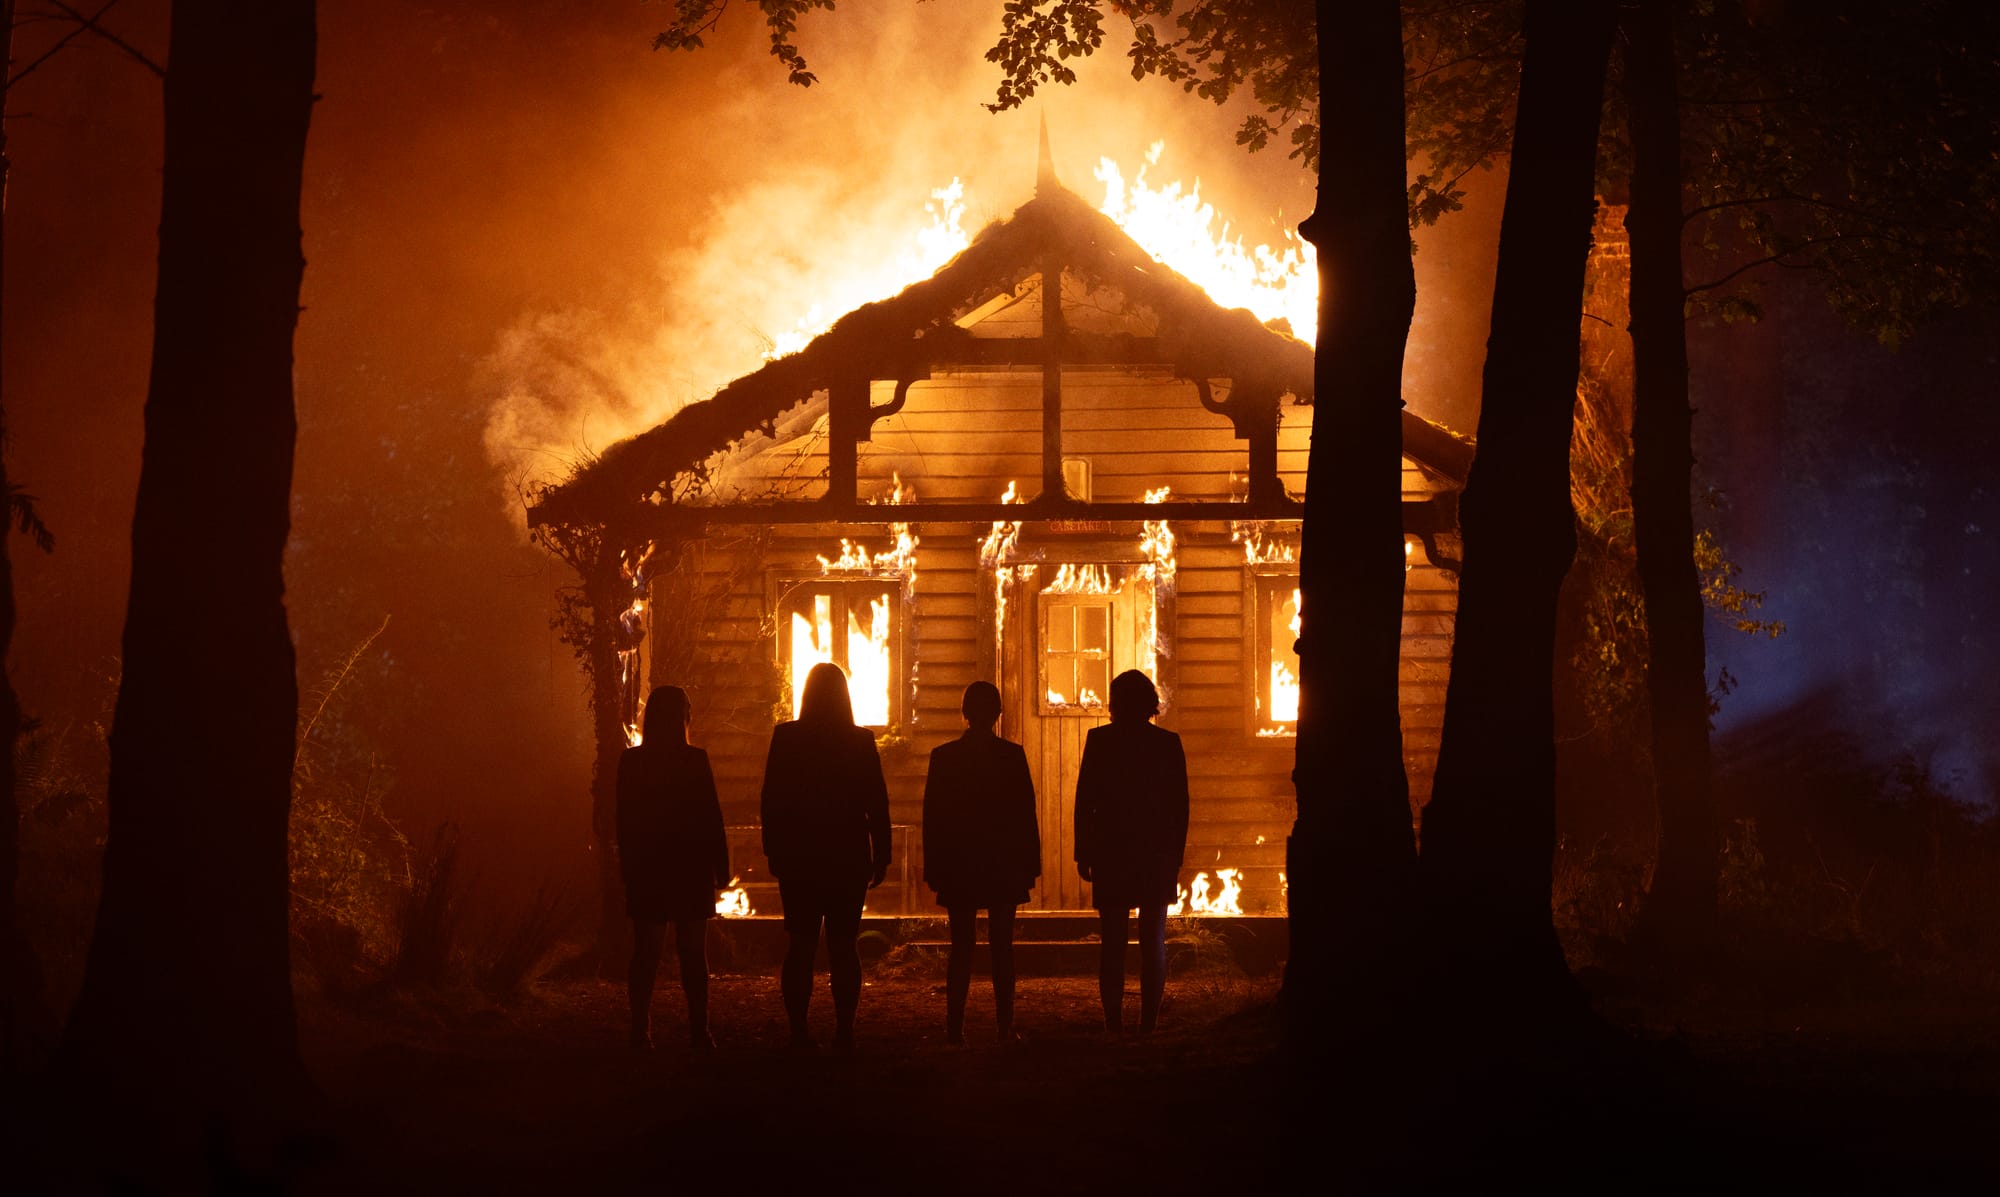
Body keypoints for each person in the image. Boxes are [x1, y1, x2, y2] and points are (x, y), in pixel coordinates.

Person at [759, 661, 891, 1051]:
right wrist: (881, 854)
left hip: (799, 856)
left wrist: (773, 848)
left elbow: (771, 799)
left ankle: (799, 1029)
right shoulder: (860, 741)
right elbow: (877, 803)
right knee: (843, 945)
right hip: (847, 856)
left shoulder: (786, 738)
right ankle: (844, 1029)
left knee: (800, 943)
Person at [921, 680, 1040, 1044]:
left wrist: (934, 867)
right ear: (997, 713)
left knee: (962, 947)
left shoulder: (944, 758)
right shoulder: (1012, 756)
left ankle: (954, 1026)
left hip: (960, 866)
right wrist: (1030, 865)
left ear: (965, 713)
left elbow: (933, 818)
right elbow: (1025, 814)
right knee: (1002, 947)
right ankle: (1004, 1025)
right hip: (1002, 865)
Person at [1073, 669, 1189, 1034]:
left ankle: (1113, 1022)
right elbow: (1179, 808)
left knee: (1113, 941)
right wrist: (1175, 856)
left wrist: (1084, 851)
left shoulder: (1100, 741)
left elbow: (1085, 801)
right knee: (1153, 937)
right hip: (1155, 854)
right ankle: (1148, 1023)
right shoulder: (1168, 744)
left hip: (1111, 853)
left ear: (1115, 704)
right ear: (1151, 703)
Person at [616, 684, 729, 1052]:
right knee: (694, 953)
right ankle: (700, 1030)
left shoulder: (632, 762)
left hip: (649, 867)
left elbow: (624, 821)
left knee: (646, 951)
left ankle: (639, 1028)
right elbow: (711, 817)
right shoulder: (695, 760)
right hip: (690, 867)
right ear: (684, 717)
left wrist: (628, 868)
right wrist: (720, 867)